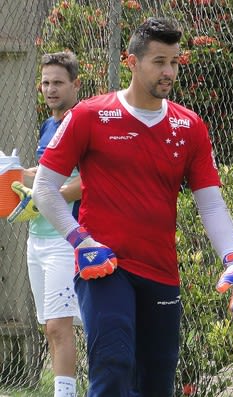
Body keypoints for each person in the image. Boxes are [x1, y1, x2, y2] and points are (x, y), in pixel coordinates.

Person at [32, 18, 233, 397]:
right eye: (159, 61)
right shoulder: (89, 115)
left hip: (161, 272)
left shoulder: (190, 126)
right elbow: (44, 189)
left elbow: (210, 202)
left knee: (155, 385)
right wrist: (82, 242)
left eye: (175, 62)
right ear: (132, 61)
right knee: (113, 370)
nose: (169, 72)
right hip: (104, 267)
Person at [8, 51, 82, 397]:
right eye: (46, 82)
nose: (50, 89)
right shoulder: (48, 126)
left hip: (67, 240)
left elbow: (91, 181)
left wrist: (50, 198)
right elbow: (45, 173)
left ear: (75, 85)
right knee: (49, 326)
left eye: (58, 83)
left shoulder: (82, 123)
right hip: (35, 239)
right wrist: (14, 174)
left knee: (59, 326)